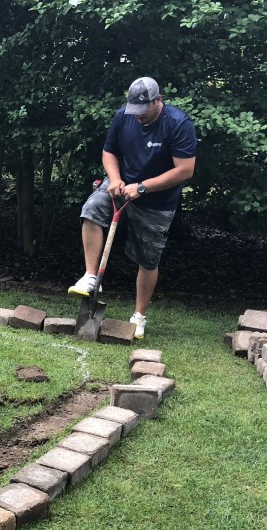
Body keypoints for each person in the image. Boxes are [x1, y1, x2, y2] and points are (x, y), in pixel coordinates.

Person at [68, 76, 197, 339]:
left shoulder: (177, 123)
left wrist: (143, 187)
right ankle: (91, 277)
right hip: (121, 184)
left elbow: (185, 170)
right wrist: (115, 179)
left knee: (148, 258)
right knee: (92, 209)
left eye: (143, 110)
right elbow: (109, 152)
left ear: (158, 100)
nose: (138, 116)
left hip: (157, 200)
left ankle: (139, 317)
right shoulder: (123, 116)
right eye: (134, 110)